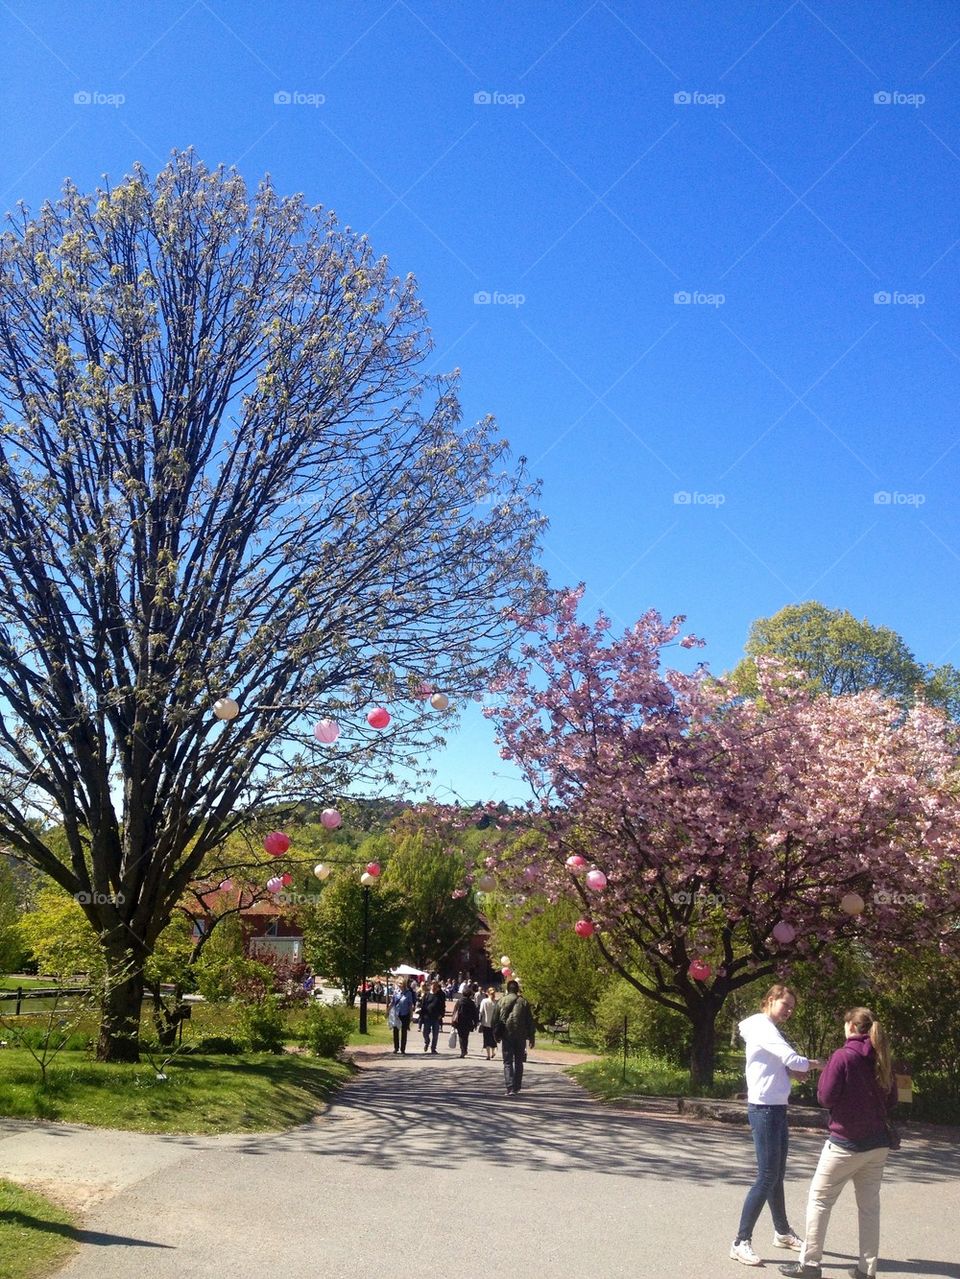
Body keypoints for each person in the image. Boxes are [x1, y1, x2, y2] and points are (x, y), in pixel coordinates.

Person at [778, 1007, 899, 1279]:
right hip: (878, 1145)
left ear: (850, 1027)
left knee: (819, 1201)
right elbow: (892, 1101)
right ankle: (867, 1270)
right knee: (869, 1208)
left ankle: (810, 1264)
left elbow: (825, 1097)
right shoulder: (883, 1058)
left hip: (845, 1143)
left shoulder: (843, 1056)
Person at [730, 984, 824, 1267]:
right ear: (770, 1000)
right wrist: (818, 1064)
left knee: (776, 1173)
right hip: (765, 1109)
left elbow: (775, 1061)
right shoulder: (762, 1026)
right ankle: (740, 1242)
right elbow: (791, 1058)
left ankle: (782, 1232)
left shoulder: (767, 1028)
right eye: (786, 1005)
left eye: (792, 1007)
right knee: (767, 1175)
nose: (789, 1011)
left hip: (776, 1107)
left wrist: (790, 1071)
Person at [491, 979, 535, 1095]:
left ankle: (510, 1087)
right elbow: (530, 1021)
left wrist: (496, 1035)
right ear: (518, 990)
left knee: (507, 1061)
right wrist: (531, 1037)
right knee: (519, 1061)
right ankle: (517, 1087)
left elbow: (494, 1020)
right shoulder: (524, 1002)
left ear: (507, 989)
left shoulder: (501, 1001)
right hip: (521, 1035)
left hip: (507, 1034)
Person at [389, 977, 415, 1055]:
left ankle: (403, 1048)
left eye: (401, 983)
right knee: (395, 1031)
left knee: (404, 1032)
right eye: (399, 983)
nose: (400, 985)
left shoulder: (408, 993)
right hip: (396, 1014)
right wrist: (388, 1011)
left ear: (404, 984)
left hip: (405, 1014)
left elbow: (410, 1005)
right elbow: (392, 1002)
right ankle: (396, 1048)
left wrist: (411, 1015)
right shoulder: (396, 992)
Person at [452, 985, 479, 1057]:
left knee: (461, 1036)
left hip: (460, 1021)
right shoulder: (471, 1003)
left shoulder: (459, 1001)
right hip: (468, 1022)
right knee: (466, 1036)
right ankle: (465, 1049)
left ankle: (462, 1050)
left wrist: (453, 1021)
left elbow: (455, 1011)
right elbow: (475, 1013)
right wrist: (476, 1022)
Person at [419, 980, 446, 1054]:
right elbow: (423, 1005)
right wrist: (421, 1016)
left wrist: (441, 1015)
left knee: (435, 1034)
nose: (434, 987)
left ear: (437, 986)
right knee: (425, 1033)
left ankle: (433, 1048)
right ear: (430, 985)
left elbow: (443, 1006)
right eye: (433, 985)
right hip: (427, 1017)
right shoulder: (427, 994)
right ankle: (427, 1042)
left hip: (436, 1017)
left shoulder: (441, 995)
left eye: (436, 985)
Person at [478, 986, 499, 1060]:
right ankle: (493, 1052)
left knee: (486, 1039)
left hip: (486, 1023)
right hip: (494, 1023)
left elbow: (481, 1011)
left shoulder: (484, 1001)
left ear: (487, 993)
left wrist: (479, 1021)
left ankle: (488, 1055)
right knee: (493, 1039)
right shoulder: (496, 1002)